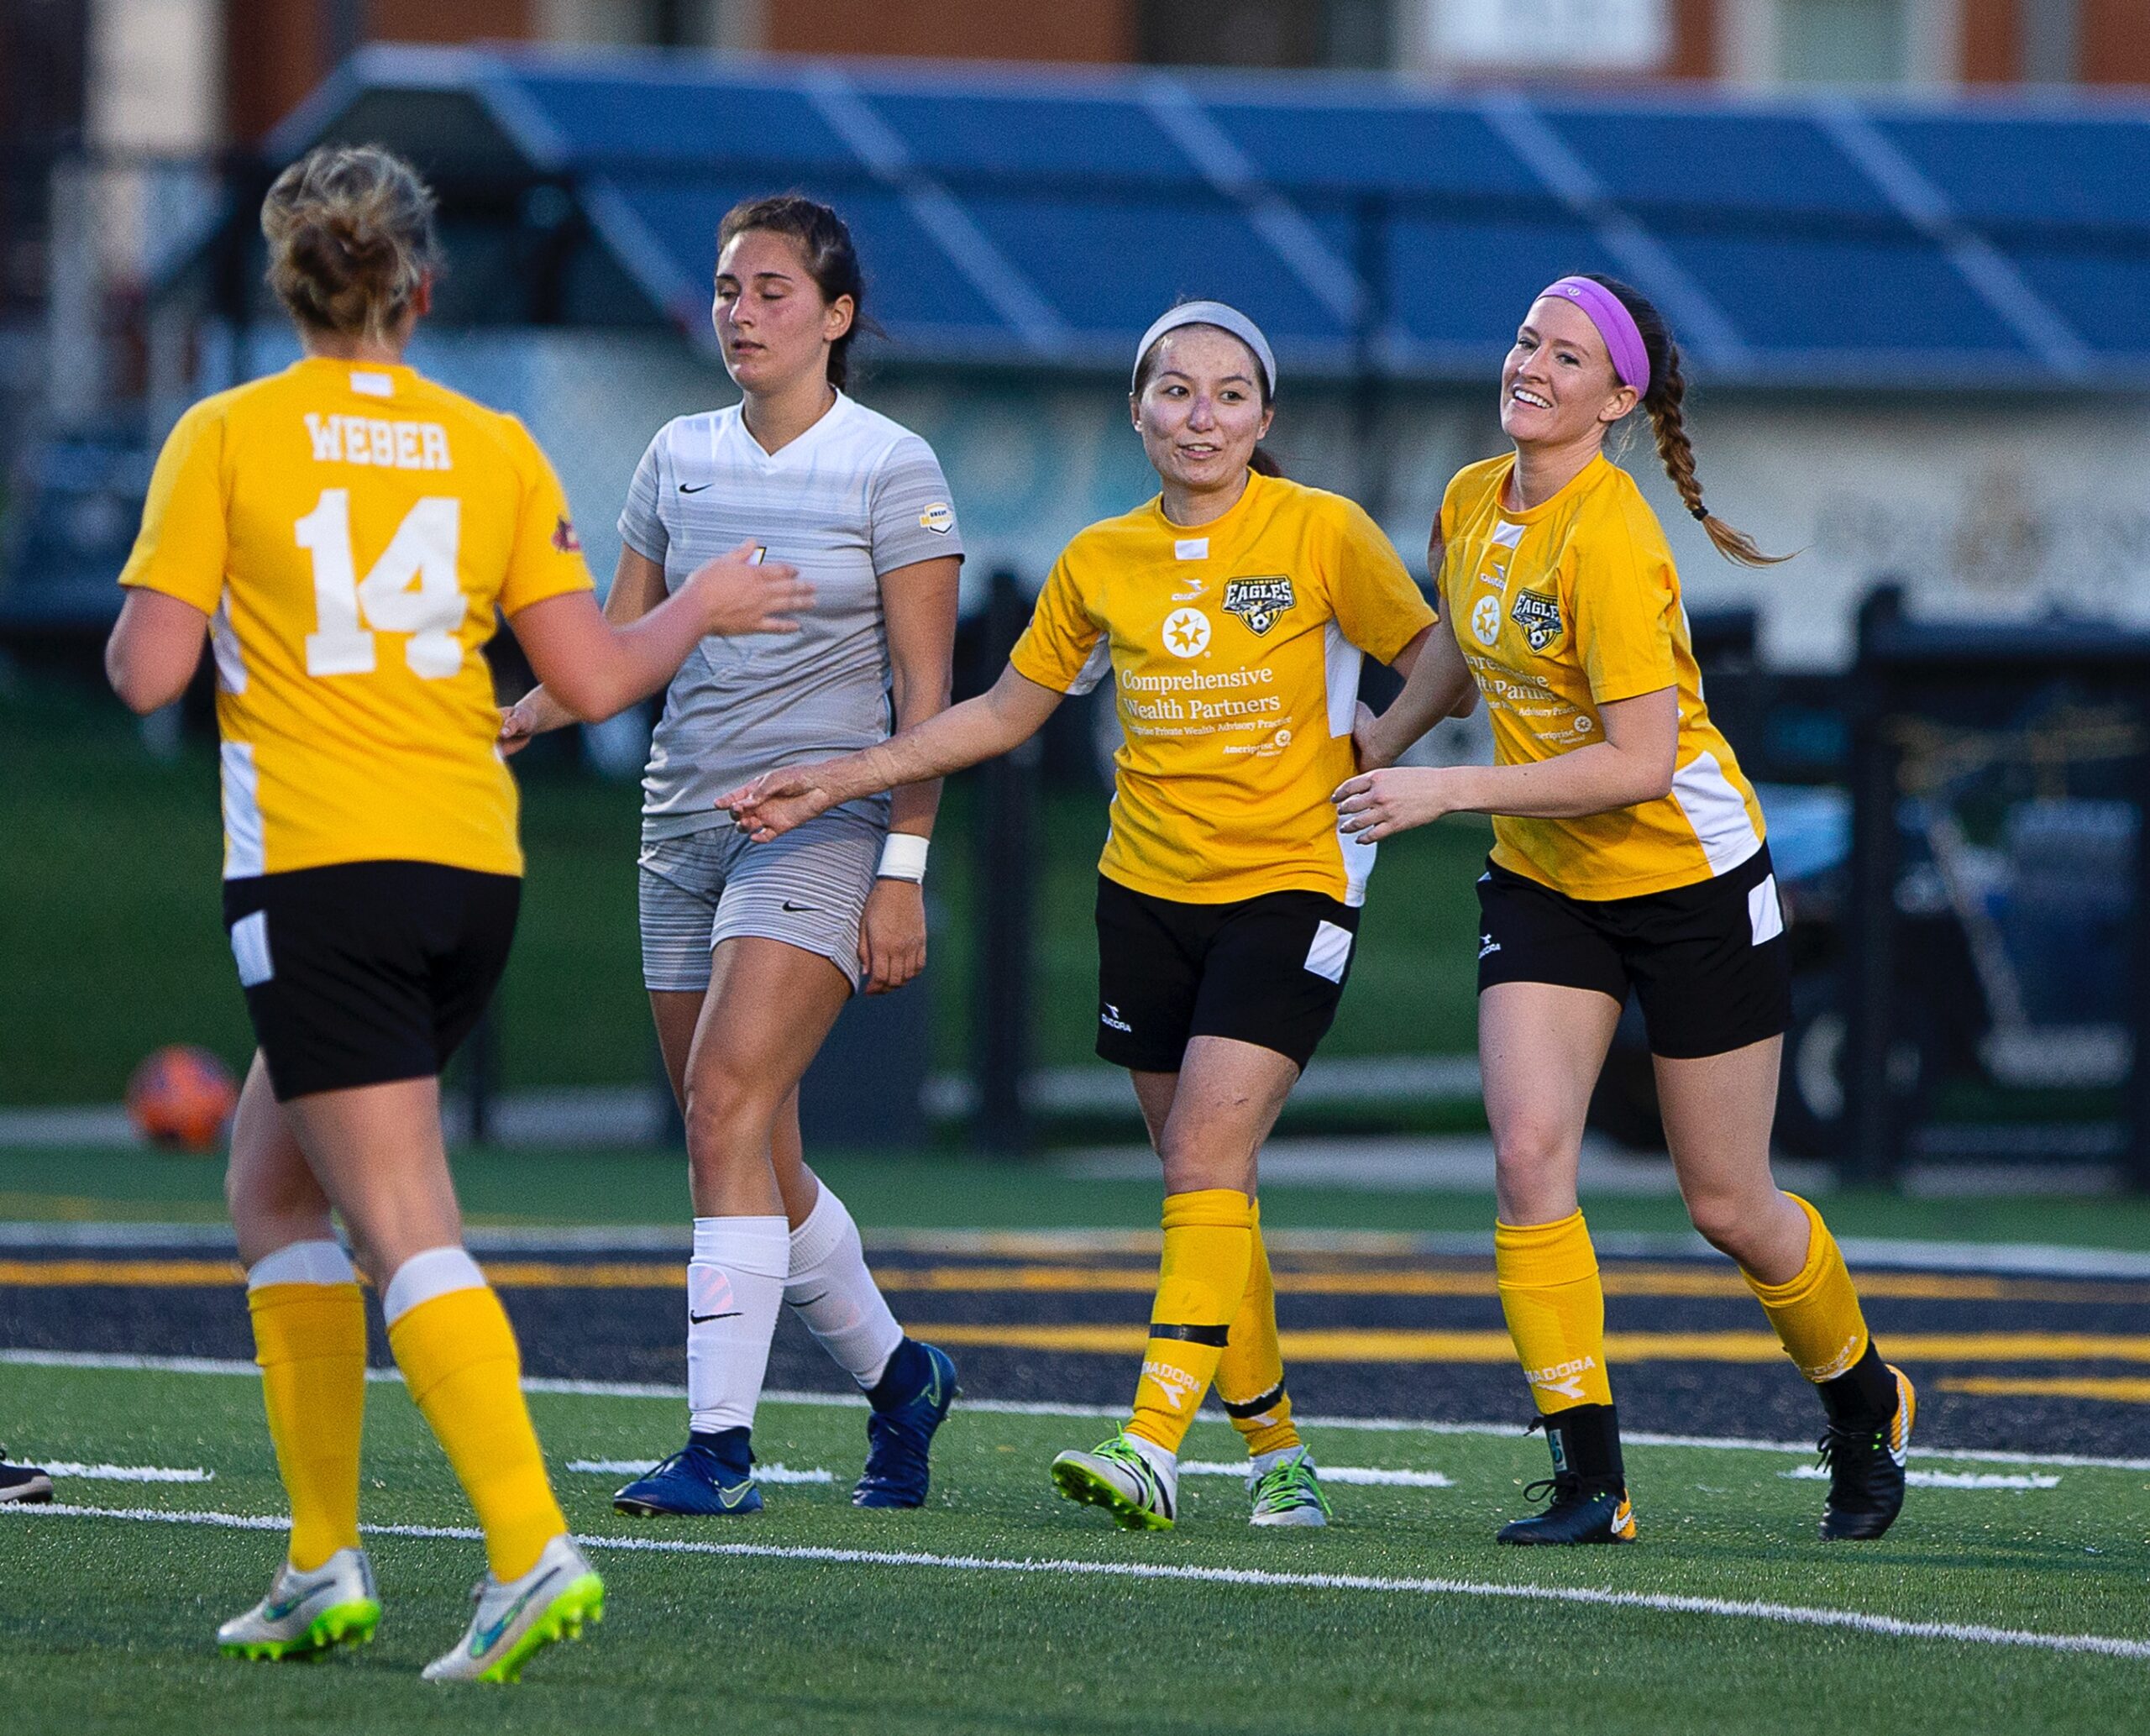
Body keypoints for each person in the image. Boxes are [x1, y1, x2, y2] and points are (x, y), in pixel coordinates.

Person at [103, 145, 810, 1678]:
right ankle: (317, 1561)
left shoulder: (228, 432)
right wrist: (703, 601)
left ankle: (525, 1546)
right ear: (423, 288)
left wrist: (201, 596)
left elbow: (149, 674)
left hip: (322, 869)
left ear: (290, 283)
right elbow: (600, 675)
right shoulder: (489, 445)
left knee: (402, 1225)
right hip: (467, 871)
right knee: (273, 1190)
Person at [721, 301, 1439, 1532]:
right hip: (1146, 894)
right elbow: (1001, 714)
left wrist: (1380, 747)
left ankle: (1152, 1443)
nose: (1199, 415)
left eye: (1226, 394)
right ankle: (1278, 1456)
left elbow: (1440, 654)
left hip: (1295, 883)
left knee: (1206, 1160)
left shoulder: (1323, 530)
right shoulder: (1102, 557)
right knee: (1206, 1179)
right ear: (1138, 410)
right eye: (1174, 390)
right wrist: (841, 776)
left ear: (1265, 418)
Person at [1336, 273, 1913, 1545]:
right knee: (1530, 1154)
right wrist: (1378, 734)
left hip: (1690, 882)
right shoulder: (1470, 499)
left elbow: (1640, 764)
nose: (1530, 363)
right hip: (1550, 880)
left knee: (1728, 1204)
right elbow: (1458, 641)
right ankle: (1591, 1481)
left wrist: (1442, 790)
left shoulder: (1611, 537)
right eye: (1525, 338)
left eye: (1565, 354)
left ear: (1617, 398)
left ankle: (1863, 1398)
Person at [501, 195, 962, 1517]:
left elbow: (930, 700)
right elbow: (616, 647)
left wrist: (901, 874)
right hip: (680, 827)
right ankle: (902, 1380)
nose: (741, 314)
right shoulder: (675, 451)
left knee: (720, 1111)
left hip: (820, 826)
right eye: (725, 290)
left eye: (771, 292)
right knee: (751, 1143)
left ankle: (720, 1450)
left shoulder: (894, 466)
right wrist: (523, 713)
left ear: (836, 315)